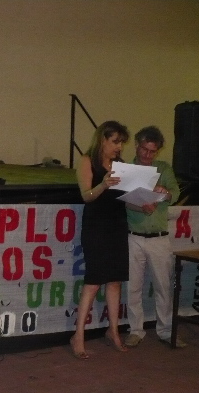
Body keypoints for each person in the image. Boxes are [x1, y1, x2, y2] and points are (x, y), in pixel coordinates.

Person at [72, 121, 130, 359]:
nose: (119, 147)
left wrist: (146, 202)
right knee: (94, 281)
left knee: (115, 281)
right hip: (96, 227)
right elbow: (86, 196)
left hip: (117, 225)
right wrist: (104, 184)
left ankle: (113, 331)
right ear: (102, 140)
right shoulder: (88, 161)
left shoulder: (121, 165)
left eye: (121, 142)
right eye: (115, 141)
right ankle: (78, 335)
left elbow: (126, 198)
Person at [125, 126, 186, 348]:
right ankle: (135, 330)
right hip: (134, 235)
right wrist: (140, 206)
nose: (147, 155)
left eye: (152, 151)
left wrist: (164, 192)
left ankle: (166, 330)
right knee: (133, 287)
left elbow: (175, 193)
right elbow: (123, 200)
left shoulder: (164, 168)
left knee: (163, 287)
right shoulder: (127, 170)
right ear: (136, 145)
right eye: (144, 149)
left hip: (159, 237)